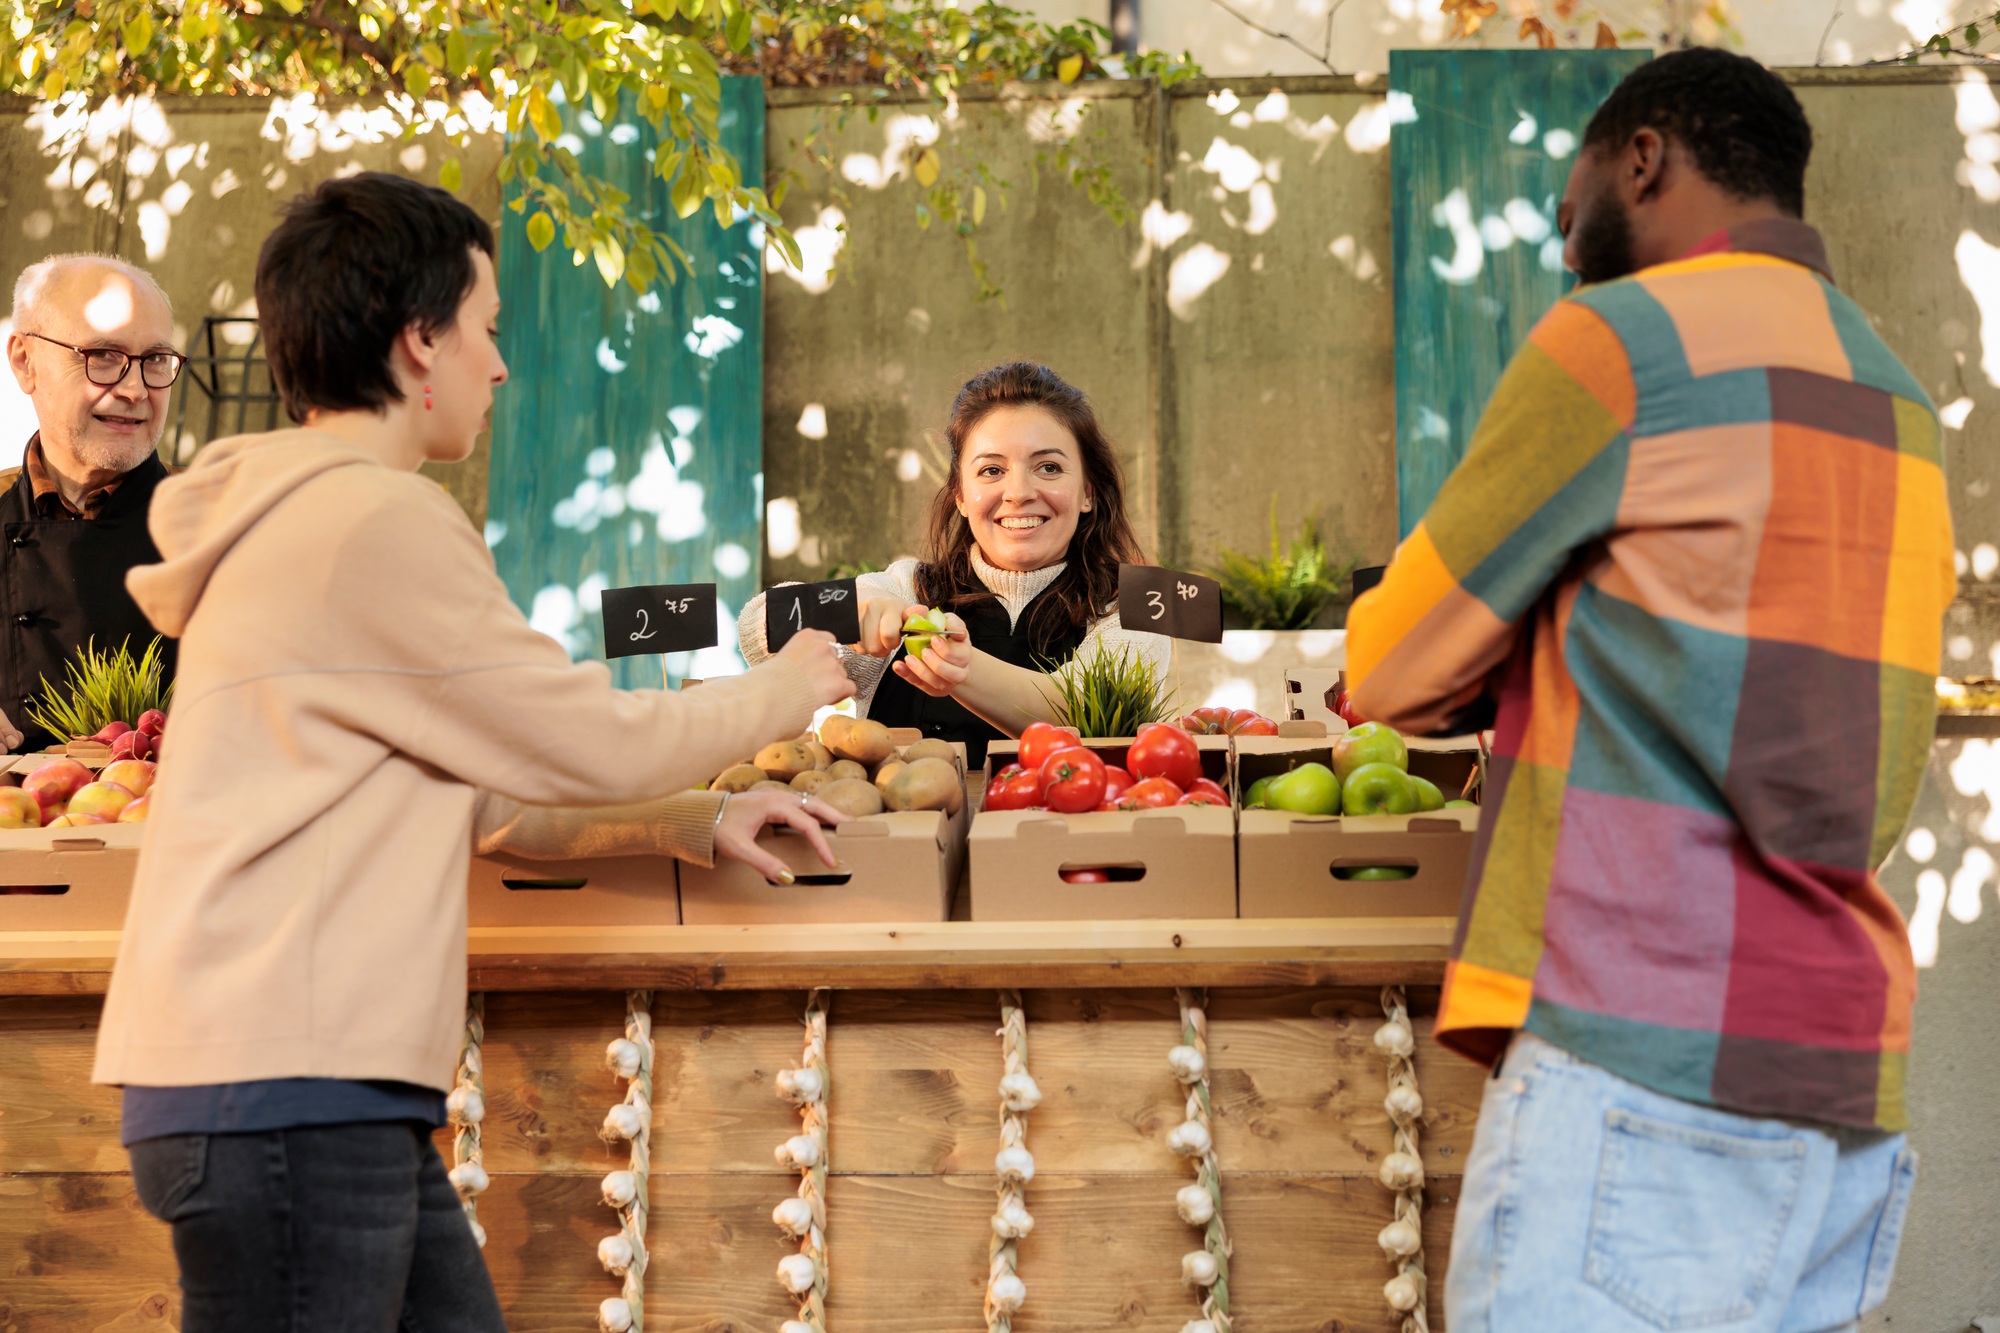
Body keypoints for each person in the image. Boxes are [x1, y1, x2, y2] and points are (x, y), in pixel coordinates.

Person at [89, 171, 856, 1332]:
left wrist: (695, 821)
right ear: (417, 343)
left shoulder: (298, 519)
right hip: (287, 1088)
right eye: (487, 331)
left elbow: (494, 800)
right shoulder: (372, 520)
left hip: (286, 1084)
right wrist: (782, 688)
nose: (499, 367)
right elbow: (584, 737)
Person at [1346, 49, 1952, 1333]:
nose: (1567, 248)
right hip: (1839, 1081)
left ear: (1641, 156)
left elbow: (1389, 668)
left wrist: (1518, 639)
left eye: (1569, 215)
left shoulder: (1621, 340)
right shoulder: (1894, 398)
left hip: (1644, 1053)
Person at [740, 362, 1168, 766]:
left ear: (1088, 493)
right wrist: (854, 604)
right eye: (991, 470)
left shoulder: (1131, 604)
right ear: (961, 496)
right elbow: (761, 625)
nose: (1018, 492)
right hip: (906, 840)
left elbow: (1085, 712)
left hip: (1062, 841)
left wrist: (963, 669)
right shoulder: (910, 587)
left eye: (1049, 467)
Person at [1, 255, 186, 752]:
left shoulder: (223, 525)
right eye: (102, 356)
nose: (134, 389)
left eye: (155, 360)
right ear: (24, 361)